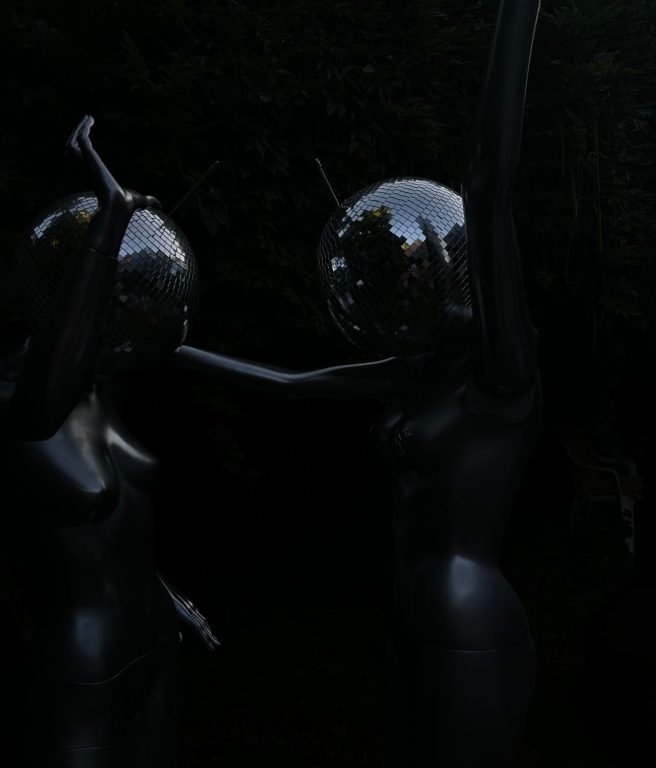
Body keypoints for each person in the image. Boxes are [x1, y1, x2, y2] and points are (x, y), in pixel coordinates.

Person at [170, 1, 543, 764]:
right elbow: (292, 384)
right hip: (407, 613)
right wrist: (166, 349)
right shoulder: (414, 373)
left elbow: (487, 186)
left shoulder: (503, 379)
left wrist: (519, 13)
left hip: (467, 619)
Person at [0, 115, 215, 767]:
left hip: (156, 645)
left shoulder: (104, 388)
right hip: (82, 664)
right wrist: (111, 215)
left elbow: (119, 533)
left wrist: (169, 598)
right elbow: (40, 410)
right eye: (102, 294)